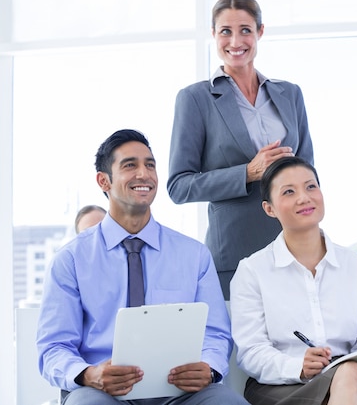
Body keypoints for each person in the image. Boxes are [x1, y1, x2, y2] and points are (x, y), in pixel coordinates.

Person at [37, 129, 250, 405]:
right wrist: (89, 374)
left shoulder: (194, 254)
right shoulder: (71, 259)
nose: (144, 174)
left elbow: (216, 333)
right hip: (102, 393)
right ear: (104, 181)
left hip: (180, 394)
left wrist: (209, 368)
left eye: (150, 165)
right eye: (130, 166)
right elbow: (54, 347)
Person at [167, 0, 314, 299]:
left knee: (300, 345)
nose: (236, 41)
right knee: (238, 346)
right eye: (226, 31)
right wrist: (247, 172)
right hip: (235, 255)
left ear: (260, 32)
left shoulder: (290, 94)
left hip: (293, 249)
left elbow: (308, 172)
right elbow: (179, 187)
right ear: (213, 34)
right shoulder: (195, 99)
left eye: (246, 30)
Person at [230, 156, 357, 405]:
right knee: (347, 377)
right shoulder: (252, 271)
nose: (304, 197)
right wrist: (298, 366)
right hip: (279, 388)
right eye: (289, 192)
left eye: (311, 186)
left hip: (347, 380)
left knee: (349, 372)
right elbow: (251, 352)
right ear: (269, 209)